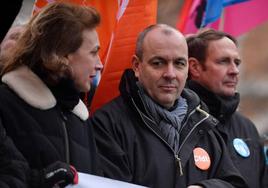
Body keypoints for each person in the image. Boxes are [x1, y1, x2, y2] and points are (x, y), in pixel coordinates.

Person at [90, 24, 247, 188]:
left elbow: (234, 183)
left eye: (179, 63)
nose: (170, 74)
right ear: (137, 66)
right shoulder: (107, 124)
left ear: (188, 68)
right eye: (158, 63)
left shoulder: (203, 123)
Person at [0, 1, 103, 187]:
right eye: (93, 52)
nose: (100, 64)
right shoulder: (5, 102)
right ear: (62, 55)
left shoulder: (81, 118)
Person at [186, 28, 267, 188]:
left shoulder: (246, 127)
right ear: (194, 67)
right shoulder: (179, 121)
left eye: (236, 63)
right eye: (223, 61)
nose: (234, 71)